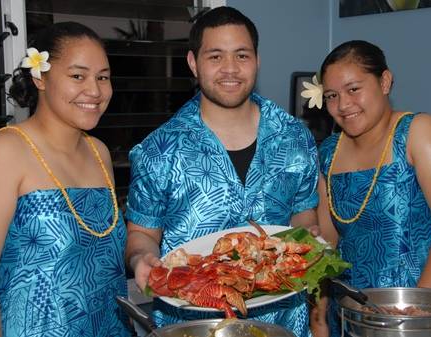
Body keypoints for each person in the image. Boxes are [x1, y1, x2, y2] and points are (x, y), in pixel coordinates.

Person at [125, 6, 319, 337]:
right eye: (215, 56)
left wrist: (309, 236)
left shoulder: (295, 136)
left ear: (257, 60)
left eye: (241, 55)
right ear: (193, 62)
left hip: (284, 323)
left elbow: (303, 217)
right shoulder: (158, 150)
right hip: (191, 326)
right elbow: (142, 234)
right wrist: (142, 257)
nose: (230, 69)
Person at [0, 22, 132, 336]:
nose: (95, 90)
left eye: (103, 77)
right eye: (78, 76)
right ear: (39, 76)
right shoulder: (2, 152)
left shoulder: (98, 152)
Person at [313, 40, 431, 336]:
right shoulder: (329, 152)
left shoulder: (419, 133)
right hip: (357, 318)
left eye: (354, 89)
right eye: (332, 96)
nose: (343, 105)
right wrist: (320, 314)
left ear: (385, 81)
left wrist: (413, 315)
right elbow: (327, 246)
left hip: (430, 316)